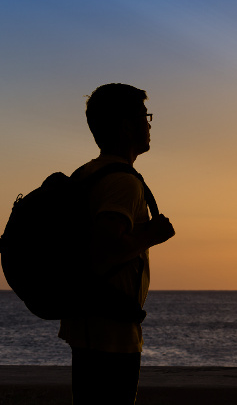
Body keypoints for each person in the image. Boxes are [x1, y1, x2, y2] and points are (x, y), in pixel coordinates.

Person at [58, 83, 175, 404]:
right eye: (144, 116)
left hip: (86, 324)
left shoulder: (88, 173)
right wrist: (153, 234)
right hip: (109, 333)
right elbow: (106, 250)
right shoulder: (122, 182)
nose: (149, 124)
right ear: (126, 127)